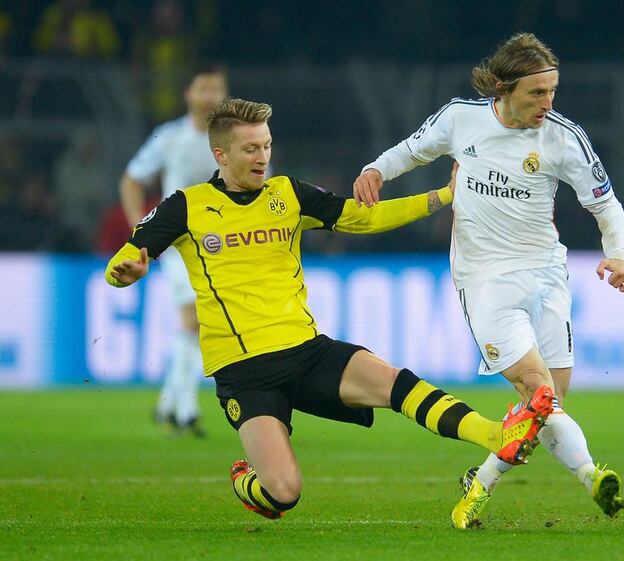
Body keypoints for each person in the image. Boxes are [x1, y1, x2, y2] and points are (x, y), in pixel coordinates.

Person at [105, 98, 555, 521]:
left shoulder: (288, 194)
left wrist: (441, 196)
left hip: (306, 351)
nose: (262, 156)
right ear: (220, 154)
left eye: (266, 145)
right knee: (283, 493)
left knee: (394, 382)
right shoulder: (187, 206)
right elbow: (128, 256)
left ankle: (498, 435)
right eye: (250, 149)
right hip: (244, 371)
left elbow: (363, 216)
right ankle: (248, 481)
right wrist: (123, 271)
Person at [353, 32, 624, 529]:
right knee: (541, 396)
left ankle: (479, 482)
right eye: (537, 93)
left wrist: (619, 255)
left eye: (553, 92)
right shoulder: (461, 118)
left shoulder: (563, 138)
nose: (547, 104)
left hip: (548, 274)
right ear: (503, 89)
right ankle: (593, 477)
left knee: (547, 408)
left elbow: (604, 203)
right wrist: (376, 170)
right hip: (485, 281)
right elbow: (413, 150)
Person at [119, 65, 228, 436]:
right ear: (189, 94)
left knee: (201, 322)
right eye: (203, 88)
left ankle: (168, 403)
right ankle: (186, 410)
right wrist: (141, 234)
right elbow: (132, 180)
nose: (210, 95)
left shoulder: (235, 140)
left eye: (216, 89)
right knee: (193, 318)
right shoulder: (170, 137)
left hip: (221, 246)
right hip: (179, 243)